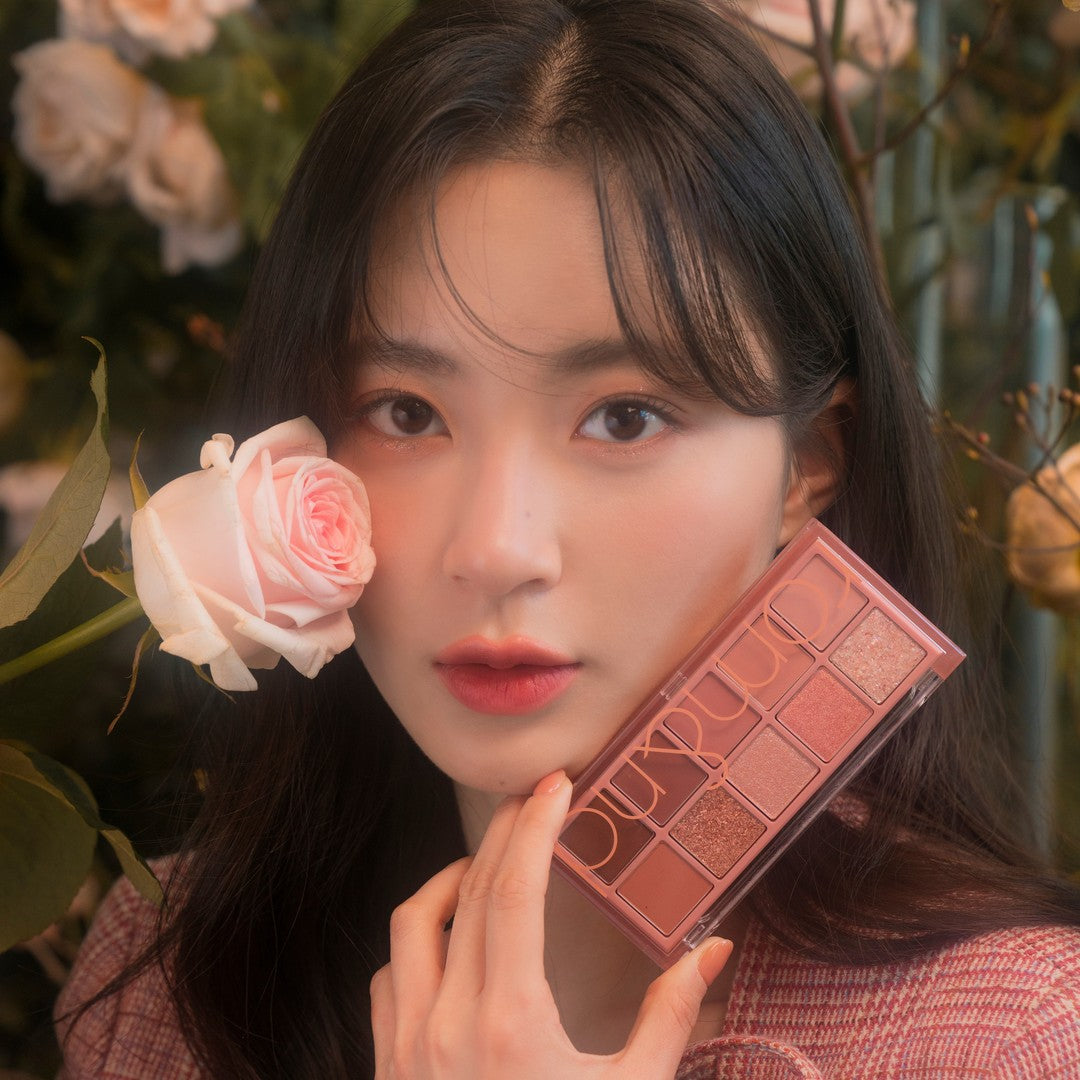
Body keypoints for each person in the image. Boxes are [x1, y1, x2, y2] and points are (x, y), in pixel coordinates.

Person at [55, 1, 1080, 1077]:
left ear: (809, 466)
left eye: (625, 418)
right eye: (406, 413)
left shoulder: (1010, 1038)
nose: (499, 549)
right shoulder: (169, 984)